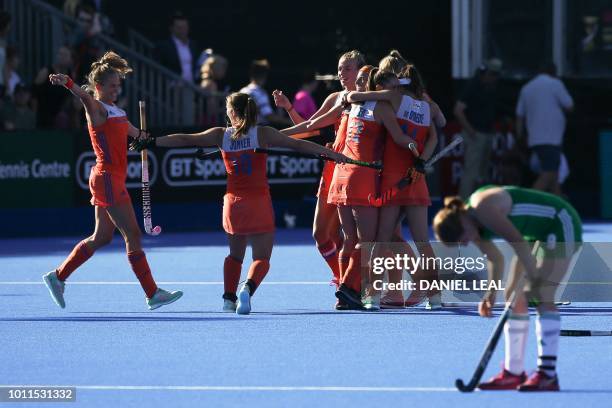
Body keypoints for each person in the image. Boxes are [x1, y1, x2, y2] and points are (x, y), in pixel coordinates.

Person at [131, 92, 347, 314]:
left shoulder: (220, 135)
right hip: (259, 204)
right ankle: (248, 288)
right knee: (261, 258)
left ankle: (228, 299)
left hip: (233, 205)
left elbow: (185, 139)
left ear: (232, 112)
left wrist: (152, 141)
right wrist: (330, 154)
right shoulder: (263, 134)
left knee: (235, 255)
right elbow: (299, 145)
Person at [43, 51, 183, 310]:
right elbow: (83, 97)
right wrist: (68, 83)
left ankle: (58, 276)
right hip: (107, 178)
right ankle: (152, 293)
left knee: (102, 237)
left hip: (110, 179)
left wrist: (146, 139)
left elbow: (137, 134)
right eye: (112, 86)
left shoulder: (117, 111)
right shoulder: (96, 109)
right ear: (99, 87)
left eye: (119, 86)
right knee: (132, 234)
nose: (116, 90)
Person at [433, 185, 582, 391]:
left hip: (558, 222)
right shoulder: (470, 223)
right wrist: (490, 294)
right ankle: (513, 372)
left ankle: (548, 375)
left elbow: (517, 242)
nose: (468, 243)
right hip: (534, 233)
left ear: (463, 223)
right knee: (513, 297)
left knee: (542, 294)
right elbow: (495, 258)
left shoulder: (483, 208)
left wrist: (534, 274)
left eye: (464, 238)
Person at [273, 50, 364, 308]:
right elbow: (311, 127)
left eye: (347, 68)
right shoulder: (336, 98)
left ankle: (357, 287)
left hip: (356, 173)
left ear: (361, 70)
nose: (341, 73)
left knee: (358, 236)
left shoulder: (370, 100)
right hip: (332, 170)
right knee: (323, 235)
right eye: (339, 68)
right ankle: (344, 282)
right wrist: (288, 111)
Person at [323, 65, 419, 310]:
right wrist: (416, 150)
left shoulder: (349, 103)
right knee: (371, 240)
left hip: (341, 176)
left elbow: (312, 123)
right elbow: (400, 137)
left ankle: (349, 294)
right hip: (363, 177)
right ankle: (348, 289)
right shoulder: (380, 106)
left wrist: (287, 134)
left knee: (350, 239)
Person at [345, 65, 440, 309]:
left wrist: (358, 94)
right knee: (422, 242)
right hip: (416, 177)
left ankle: (373, 297)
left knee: (381, 239)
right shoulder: (426, 106)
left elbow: (354, 97)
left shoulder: (391, 98)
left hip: (393, 179)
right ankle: (435, 297)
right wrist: (421, 160)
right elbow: (436, 134)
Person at [515, 62, 574, 196]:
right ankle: (528, 202)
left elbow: (519, 116)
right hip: (551, 139)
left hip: (535, 140)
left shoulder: (527, 88)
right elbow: (570, 106)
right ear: (553, 73)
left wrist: (519, 137)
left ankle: (558, 207)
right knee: (548, 173)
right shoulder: (555, 84)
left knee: (553, 175)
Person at [454, 58, 502, 199]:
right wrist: (471, 131)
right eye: (492, 74)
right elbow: (458, 110)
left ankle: (479, 205)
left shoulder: (491, 88)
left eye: (496, 75)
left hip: (486, 133)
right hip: (476, 134)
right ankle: (462, 207)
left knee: (482, 174)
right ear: (484, 73)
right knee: (471, 173)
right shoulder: (473, 86)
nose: (494, 78)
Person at [239, 59, 292, 127]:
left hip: (242, 131)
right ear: (264, 76)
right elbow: (269, 116)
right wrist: (290, 122)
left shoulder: (242, 91)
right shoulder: (260, 93)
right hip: (257, 131)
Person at [33, 46, 77, 128]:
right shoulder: (45, 72)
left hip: (62, 119)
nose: (61, 57)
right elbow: (34, 95)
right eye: (60, 54)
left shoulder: (72, 75)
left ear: (71, 59)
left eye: (65, 55)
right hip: (44, 118)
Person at [154, 12, 200, 83]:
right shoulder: (164, 46)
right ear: (171, 28)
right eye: (179, 28)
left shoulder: (192, 45)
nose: (182, 31)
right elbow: (159, 67)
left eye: (185, 27)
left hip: (191, 86)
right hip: (173, 87)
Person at [199, 54, 228, 126]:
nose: (224, 71)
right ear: (215, 68)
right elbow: (212, 110)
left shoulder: (205, 82)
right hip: (209, 123)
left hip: (203, 120)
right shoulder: (212, 85)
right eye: (223, 68)